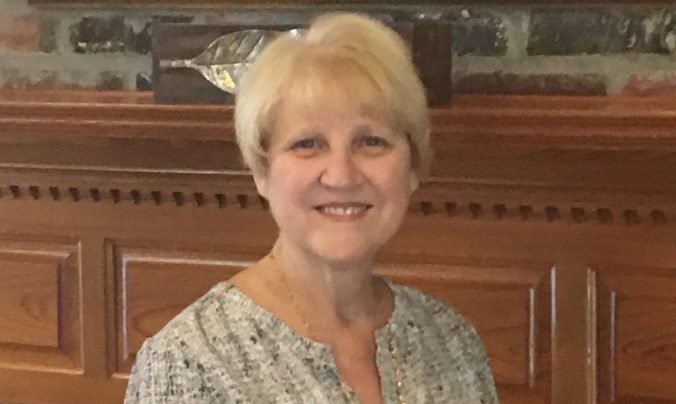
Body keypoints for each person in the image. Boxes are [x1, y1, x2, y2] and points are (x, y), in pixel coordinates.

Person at [125, 12, 498, 403]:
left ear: (413, 166)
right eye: (307, 144)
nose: (341, 176)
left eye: (371, 141)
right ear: (262, 171)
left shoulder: (451, 343)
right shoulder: (188, 363)